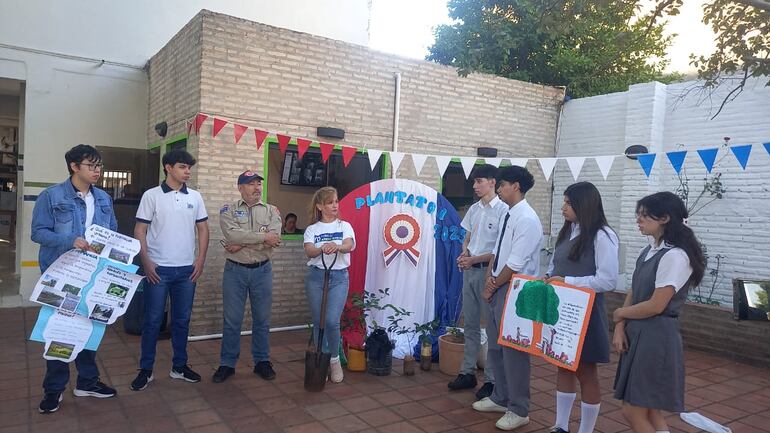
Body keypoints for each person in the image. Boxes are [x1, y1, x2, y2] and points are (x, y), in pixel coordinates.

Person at [31, 144, 118, 413]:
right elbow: (38, 232)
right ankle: (54, 389)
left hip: (93, 276)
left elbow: (112, 232)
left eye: (99, 165)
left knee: (89, 328)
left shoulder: (103, 198)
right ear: (74, 166)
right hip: (62, 275)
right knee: (60, 330)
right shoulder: (51, 196)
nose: (97, 171)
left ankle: (87, 382)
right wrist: (71, 240)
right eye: (91, 165)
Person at [612, 192, 706, 433]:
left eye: (645, 215)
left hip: (656, 336)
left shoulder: (675, 256)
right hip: (639, 331)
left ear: (664, 218)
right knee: (651, 410)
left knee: (632, 410)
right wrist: (620, 325)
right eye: (638, 214)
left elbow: (656, 305)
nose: (638, 220)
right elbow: (635, 289)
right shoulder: (649, 250)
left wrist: (620, 313)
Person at [130, 149, 209, 391]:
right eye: (182, 167)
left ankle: (179, 366)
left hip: (187, 271)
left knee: (182, 321)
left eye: (189, 167)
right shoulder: (151, 196)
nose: (187, 172)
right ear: (168, 167)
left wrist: (200, 259)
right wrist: (146, 261)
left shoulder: (195, 197)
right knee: (152, 321)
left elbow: (203, 229)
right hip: (158, 270)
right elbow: (140, 230)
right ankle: (146, 370)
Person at [545, 182, 619, 433]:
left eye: (569, 203)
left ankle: (585, 430)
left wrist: (568, 281)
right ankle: (561, 425)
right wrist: (549, 277)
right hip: (562, 310)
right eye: (564, 202)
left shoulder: (603, 235)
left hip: (586, 312)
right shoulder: (567, 231)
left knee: (586, 371)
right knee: (563, 364)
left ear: (584, 205)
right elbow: (556, 265)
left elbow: (608, 280)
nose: (563, 207)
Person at [473, 165, 543, 431]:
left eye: (502, 185)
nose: (499, 189)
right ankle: (500, 397)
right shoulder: (509, 214)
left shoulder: (527, 218)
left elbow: (515, 263)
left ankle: (519, 408)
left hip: (517, 289)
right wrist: (489, 279)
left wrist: (492, 285)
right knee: (495, 346)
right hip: (499, 285)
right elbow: (498, 252)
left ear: (516, 186)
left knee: (515, 350)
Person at [212, 171, 282, 383]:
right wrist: (263, 237)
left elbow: (275, 239)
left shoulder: (272, 210)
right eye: (251, 184)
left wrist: (241, 243)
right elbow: (231, 234)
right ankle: (227, 363)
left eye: (259, 183)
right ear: (240, 188)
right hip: (235, 272)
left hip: (262, 271)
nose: (257, 187)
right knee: (232, 321)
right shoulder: (228, 210)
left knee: (262, 320)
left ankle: (262, 361)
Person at [449, 164, 508, 400]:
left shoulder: (504, 210)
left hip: (489, 274)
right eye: (474, 182)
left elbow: (499, 249)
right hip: (469, 272)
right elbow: (468, 236)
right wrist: (465, 253)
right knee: (470, 324)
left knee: (492, 329)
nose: (475, 186)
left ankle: (492, 380)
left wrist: (473, 259)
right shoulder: (474, 209)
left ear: (492, 182)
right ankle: (467, 372)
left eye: (479, 181)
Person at [303, 186, 355, 383]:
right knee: (319, 321)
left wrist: (337, 246)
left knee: (332, 321)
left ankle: (334, 360)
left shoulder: (344, 226)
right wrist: (321, 249)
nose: (335, 205)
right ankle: (321, 361)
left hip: (339, 277)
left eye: (336, 201)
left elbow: (349, 245)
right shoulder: (312, 229)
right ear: (320, 206)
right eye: (330, 202)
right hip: (316, 277)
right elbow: (309, 251)